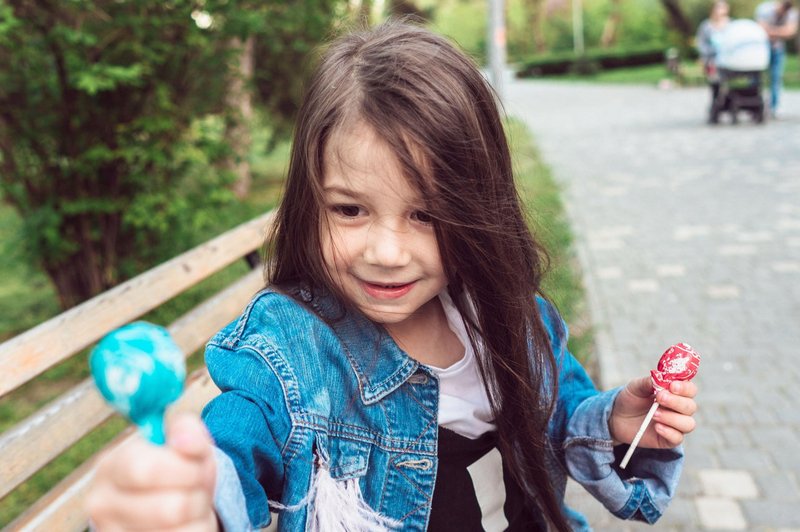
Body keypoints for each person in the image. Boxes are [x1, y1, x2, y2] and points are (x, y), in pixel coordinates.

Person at [86, 20, 699, 532]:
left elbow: (558, 409)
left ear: (478, 209)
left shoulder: (511, 316)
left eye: (427, 214)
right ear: (309, 199)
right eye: (349, 209)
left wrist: (615, 422)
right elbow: (233, 447)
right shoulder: (288, 354)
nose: (385, 251)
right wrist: (186, 501)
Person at [756, 0, 799, 117]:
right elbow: (760, 28)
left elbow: (790, 31)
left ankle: (774, 107)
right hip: (760, 48)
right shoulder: (765, 8)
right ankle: (755, 104)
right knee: (756, 76)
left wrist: (770, 30)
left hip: (777, 48)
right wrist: (780, 31)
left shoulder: (792, 13)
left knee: (776, 77)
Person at [696, 1, 731, 107]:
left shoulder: (731, 24)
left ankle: (727, 102)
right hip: (712, 60)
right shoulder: (706, 26)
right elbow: (701, 44)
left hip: (729, 60)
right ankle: (716, 103)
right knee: (715, 81)